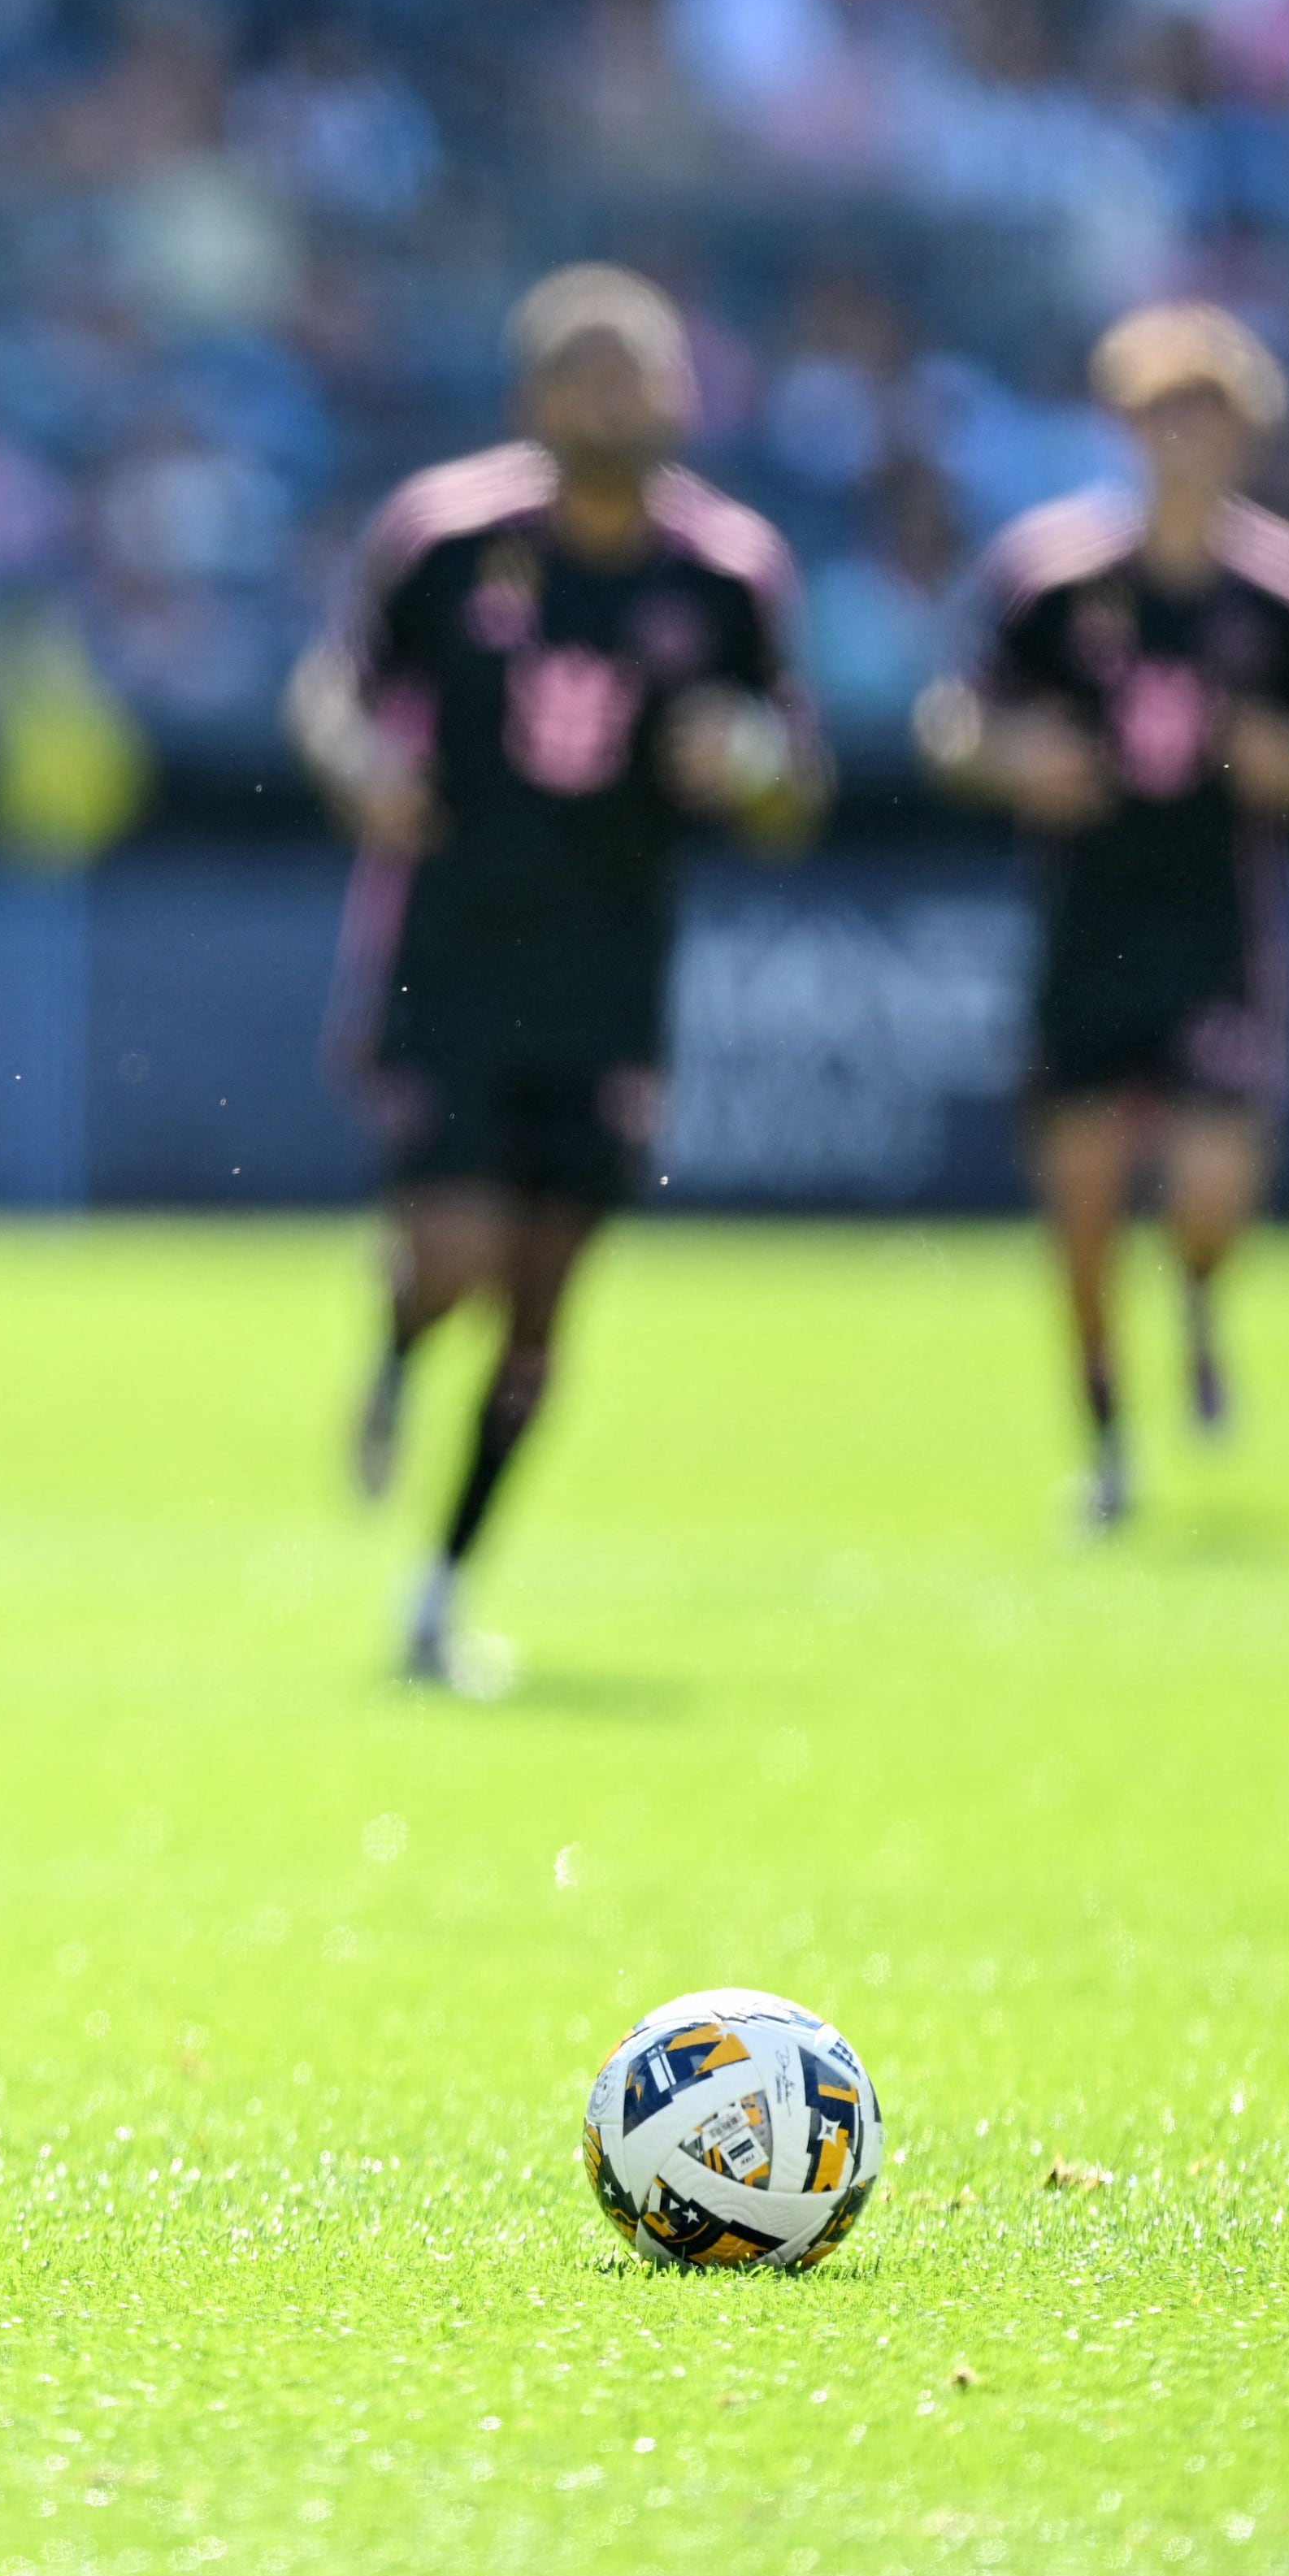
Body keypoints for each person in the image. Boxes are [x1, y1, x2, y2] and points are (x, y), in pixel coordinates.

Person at [289, 267, 827, 1693]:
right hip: (453, 955)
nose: (617, 396)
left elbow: (794, 779)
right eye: (589, 371)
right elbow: (337, 685)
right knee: (458, 1256)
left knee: (543, 1301)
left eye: (639, 370)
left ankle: (442, 1583)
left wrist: (752, 765)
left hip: (610, 977)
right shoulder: (449, 536)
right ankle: (400, 1340)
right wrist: (360, 763)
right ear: (534, 398)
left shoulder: (727, 573)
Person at [917, 303, 1289, 1529]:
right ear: (1123, 423)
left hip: (1213, 925)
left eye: (1208, 414)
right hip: (1087, 925)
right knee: (1086, 1197)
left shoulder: (1282, 592)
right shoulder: (1051, 577)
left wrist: (1282, 761)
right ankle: (1107, 1437)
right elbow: (956, 726)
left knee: (1209, 1186)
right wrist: (1014, 760)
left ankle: (1202, 1298)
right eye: (1162, 412)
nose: (1183, 440)